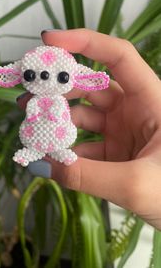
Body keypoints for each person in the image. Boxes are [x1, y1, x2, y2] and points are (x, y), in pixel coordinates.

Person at [17, 29, 161, 230]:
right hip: (34, 132)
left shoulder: (59, 101)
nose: (45, 79)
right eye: (32, 74)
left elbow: (61, 112)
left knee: (63, 139)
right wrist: (34, 115)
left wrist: (52, 114)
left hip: (59, 133)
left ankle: (57, 151)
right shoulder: (40, 100)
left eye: (62, 77)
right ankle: (31, 151)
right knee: (31, 135)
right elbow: (32, 110)